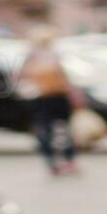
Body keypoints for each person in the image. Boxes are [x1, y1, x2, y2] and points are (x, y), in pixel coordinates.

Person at [15, 27, 78, 176]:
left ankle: (51, 161)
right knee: (62, 129)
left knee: (45, 130)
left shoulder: (30, 57)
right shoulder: (53, 56)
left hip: (40, 98)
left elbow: (19, 78)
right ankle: (67, 159)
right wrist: (73, 94)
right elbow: (64, 79)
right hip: (56, 97)